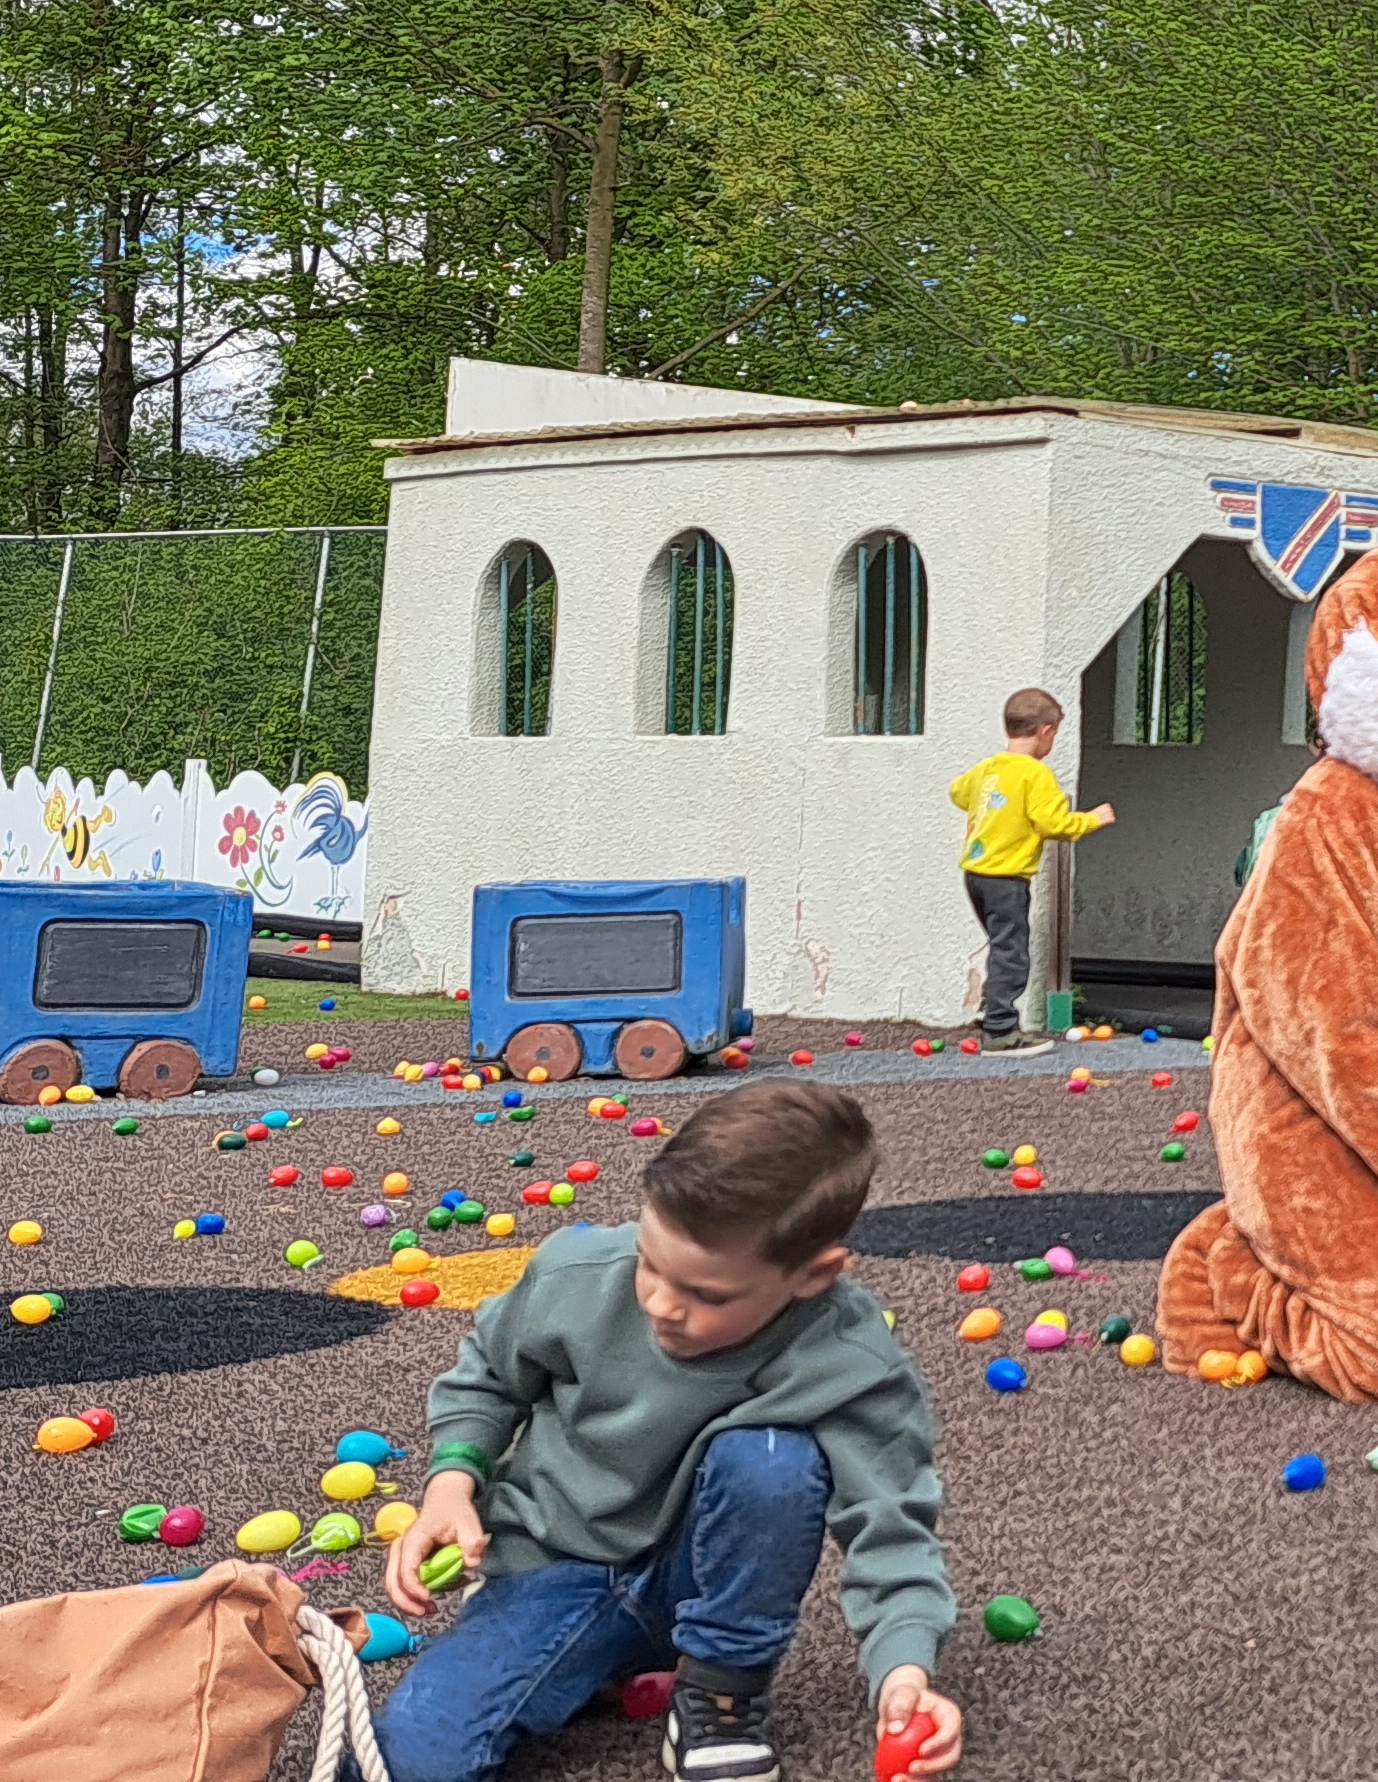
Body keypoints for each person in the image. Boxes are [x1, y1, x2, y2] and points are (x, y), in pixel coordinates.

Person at [380, 1081, 959, 1782]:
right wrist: (451, 1483)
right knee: (409, 1761)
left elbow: (892, 1525)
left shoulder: (852, 1357)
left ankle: (719, 1694)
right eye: (652, 1263)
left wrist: (905, 1673)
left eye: (706, 1294)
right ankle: (581, 1662)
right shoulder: (579, 1270)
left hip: (702, 1576)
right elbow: (488, 1378)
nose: (660, 1302)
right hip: (550, 1567)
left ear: (815, 1275)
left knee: (774, 1458)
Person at [948, 687, 1111, 1055]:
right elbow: (1053, 824)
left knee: (1001, 944)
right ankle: (1001, 1031)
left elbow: (957, 792)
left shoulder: (989, 768)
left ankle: (993, 1011)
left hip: (975, 874)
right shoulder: (1035, 775)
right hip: (1007, 877)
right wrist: (1092, 819)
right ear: (1046, 732)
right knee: (1012, 952)